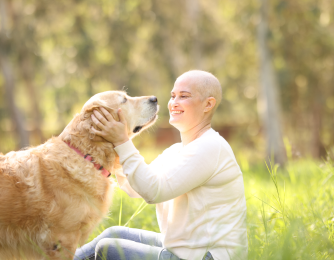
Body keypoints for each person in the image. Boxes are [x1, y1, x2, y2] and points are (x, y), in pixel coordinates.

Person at [74, 70, 248, 260]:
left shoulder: (211, 147)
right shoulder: (177, 150)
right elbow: (137, 187)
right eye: (173, 96)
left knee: (108, 249)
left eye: (184, 96)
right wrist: (106, 151)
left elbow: (154, 191)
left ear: (208, 104)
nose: (174, 102)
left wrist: (122, 142)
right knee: (114, 235)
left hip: (209, 257)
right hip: (187, 252)